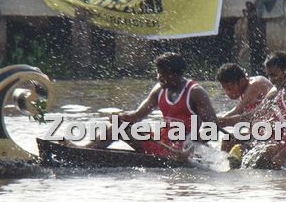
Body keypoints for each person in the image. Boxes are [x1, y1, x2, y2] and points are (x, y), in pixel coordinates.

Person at [87, 53, 220, 160]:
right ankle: (87, 151)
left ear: (174, 75)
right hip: (160, 142)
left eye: (161, 74)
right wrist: (121, 117)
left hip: (182, 149)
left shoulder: (196, 93)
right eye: (158, 73)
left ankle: (87, 153)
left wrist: (189, 149)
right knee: (116, 127)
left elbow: (212, 128)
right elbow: (137, 116)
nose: (158, 77)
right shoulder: (159, 90)